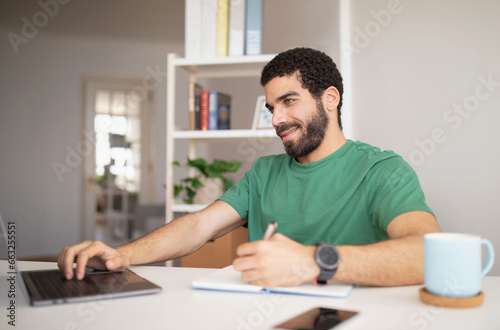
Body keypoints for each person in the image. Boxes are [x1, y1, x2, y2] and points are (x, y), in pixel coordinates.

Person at [58, 47, 440, 287]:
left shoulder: (382, 170)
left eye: (289, 101)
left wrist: (312, 262)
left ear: (330, 99)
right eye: (271, 107)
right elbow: (198, 226)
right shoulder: (264, 172)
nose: (277, 119)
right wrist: (121, 255)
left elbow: (426, 255)